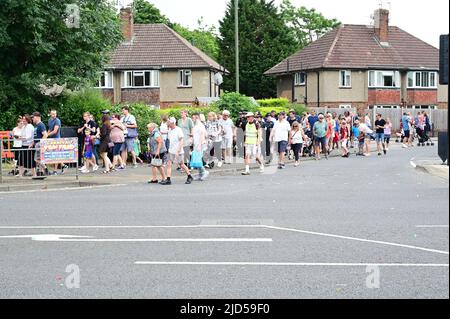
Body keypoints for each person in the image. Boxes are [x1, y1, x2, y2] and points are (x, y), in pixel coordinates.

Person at [165, 117, 194, 185]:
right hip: (171, 150)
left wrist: (178, 150)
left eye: (169, 122)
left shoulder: (178, 130)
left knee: (181, 164)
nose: (168, 123)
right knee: (168, 164)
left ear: (173, 123)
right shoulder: (169, 130)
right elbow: (170, 140)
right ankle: (168, 179)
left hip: (178, 151)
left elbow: (181, 140)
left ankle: (189, 176)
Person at [191, 113, 209, 181]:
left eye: (193, 117)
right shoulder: (196, 126)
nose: (192, 119)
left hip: (200, 144)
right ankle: (200, 173)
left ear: (197, 117)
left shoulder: (200, 125)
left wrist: (199, 145)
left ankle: (204, 172)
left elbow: (202, 135)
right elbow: (194, 135)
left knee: (198, 159)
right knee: (196, 159)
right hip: (196, 144)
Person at [46, 110, 62, 175]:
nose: (54, 115)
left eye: (55, 114)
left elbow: (55, 131)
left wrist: (47, 135)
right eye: (52, 114)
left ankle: (55, 170)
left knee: (56, 155)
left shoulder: (57, 120)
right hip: (51, 139)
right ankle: (63, 165)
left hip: (57, 139)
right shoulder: (49, 120)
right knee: (52, 155)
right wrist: (46, 135)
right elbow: (49, 129)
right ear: (50, 114)